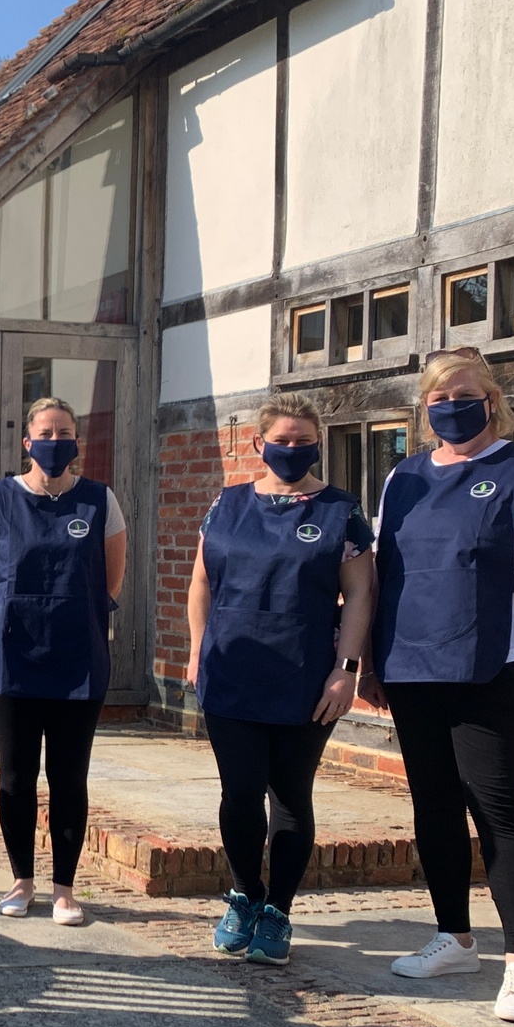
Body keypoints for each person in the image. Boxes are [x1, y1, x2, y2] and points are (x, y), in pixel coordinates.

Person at [362, 347, 514, 1024]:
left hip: (496, 662)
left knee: (500, 808)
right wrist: (373, 662)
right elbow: (384, 574)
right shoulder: (404, 477)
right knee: (433, 805)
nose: (451, 405)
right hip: (415, 664)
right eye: (437, 398)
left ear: (492, 398)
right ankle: (454, 936)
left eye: (463, 393)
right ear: (425, 412)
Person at [185, 396, 375, 966]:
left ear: (318, 442)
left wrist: (346, 671)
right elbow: (201, 582)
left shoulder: (341, 511)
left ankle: (279, 913)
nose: (292, 450)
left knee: (290, 797)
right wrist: (197, 650)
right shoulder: (226, 504)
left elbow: (362, 594)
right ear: (258, 444)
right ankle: (245, 896)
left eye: (304, 440)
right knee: (239, 793)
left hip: (304, 676)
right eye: (283, 440)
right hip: (231, 671)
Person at [0, 397, 127, 926]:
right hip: (12, 658)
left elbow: (112, 580)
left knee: (68, 776)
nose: (56, 440)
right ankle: (21, 880)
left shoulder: (100, 500)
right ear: (27, 441)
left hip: (78, 658)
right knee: (15, 777)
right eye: (46, 432)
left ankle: (64, 889)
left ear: (77, 441)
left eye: (66, 431)